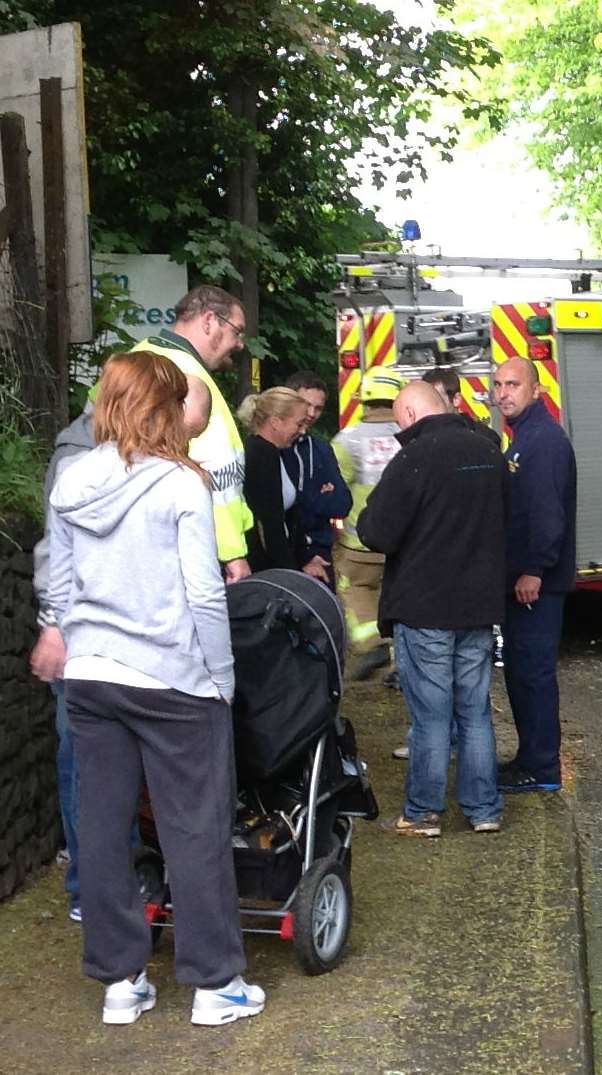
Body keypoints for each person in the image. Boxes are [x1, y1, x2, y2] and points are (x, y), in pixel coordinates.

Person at [47, 351, 263, 1026]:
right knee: (194, 830)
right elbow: (203, 591)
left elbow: (58, 580)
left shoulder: (71, 478)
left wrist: (70, 637)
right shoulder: (180, 484)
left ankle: (121, 982)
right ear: (164, 408)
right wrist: (221, 676)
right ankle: (213, 984)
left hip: (91, 677)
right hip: (173, 681)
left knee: (103, 828)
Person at [31, 379, 212, 923]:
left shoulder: (90, 462)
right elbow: (57, 555)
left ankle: (115, 911)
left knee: (99, 786)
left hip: (93, 655)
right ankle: (102, 891)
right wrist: (52, 625)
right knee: (96, 781)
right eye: (184, 422)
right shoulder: (89, 462)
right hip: (129, 655)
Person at [355, 382, 506, 835]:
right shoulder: (490, 453)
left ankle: (422, 812)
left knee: (432, 715)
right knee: (475, 711)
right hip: (478, 606)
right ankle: (484, 810)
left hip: (425, 609)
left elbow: (376, 532)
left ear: (409, 414)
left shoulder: (415, 457)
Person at [492, 358, 577, 794]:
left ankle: (541, 768)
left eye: (513, 384)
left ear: (536, 390)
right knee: (522, 674)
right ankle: (530, 760)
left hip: (536, 586)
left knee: (533, 675)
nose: (503, 392)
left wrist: (533, 570)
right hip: (526, 583)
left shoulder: (542, 442)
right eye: (498, 384)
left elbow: (547, 516)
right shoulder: (525, 437)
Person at [131, 285, 255, 582]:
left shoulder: (138, 358)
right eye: (237, 331)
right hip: (190, 547)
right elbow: (216, 471)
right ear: (209, 320)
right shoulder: (187, 376)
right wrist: (233, 552)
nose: (239, 344)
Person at [331, 369, 406, 679]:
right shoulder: (411, 437)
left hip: (359, 544)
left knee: (356, 590)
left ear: (365, 399)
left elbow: (335, 491)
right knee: (401, 602)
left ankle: (371, 643)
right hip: (404, 543)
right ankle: (399, 661)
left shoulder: (347, 440)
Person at [237, 387, 323, 574]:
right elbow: (269, 524)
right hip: (265, 567)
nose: (303, 431)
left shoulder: (273, 451)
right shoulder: (263, 455)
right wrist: (289, 575)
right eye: (299, 424)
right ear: (275, 422)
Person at [280, 370, 352, 588]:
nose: (311, 413)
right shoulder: (271, 449)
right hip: (287, 552)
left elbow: (342, 503)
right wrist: (318, 493)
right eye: (305, 404)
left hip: (321, 552)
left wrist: (304, 500)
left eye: (318, 408)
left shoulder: (320, 449)